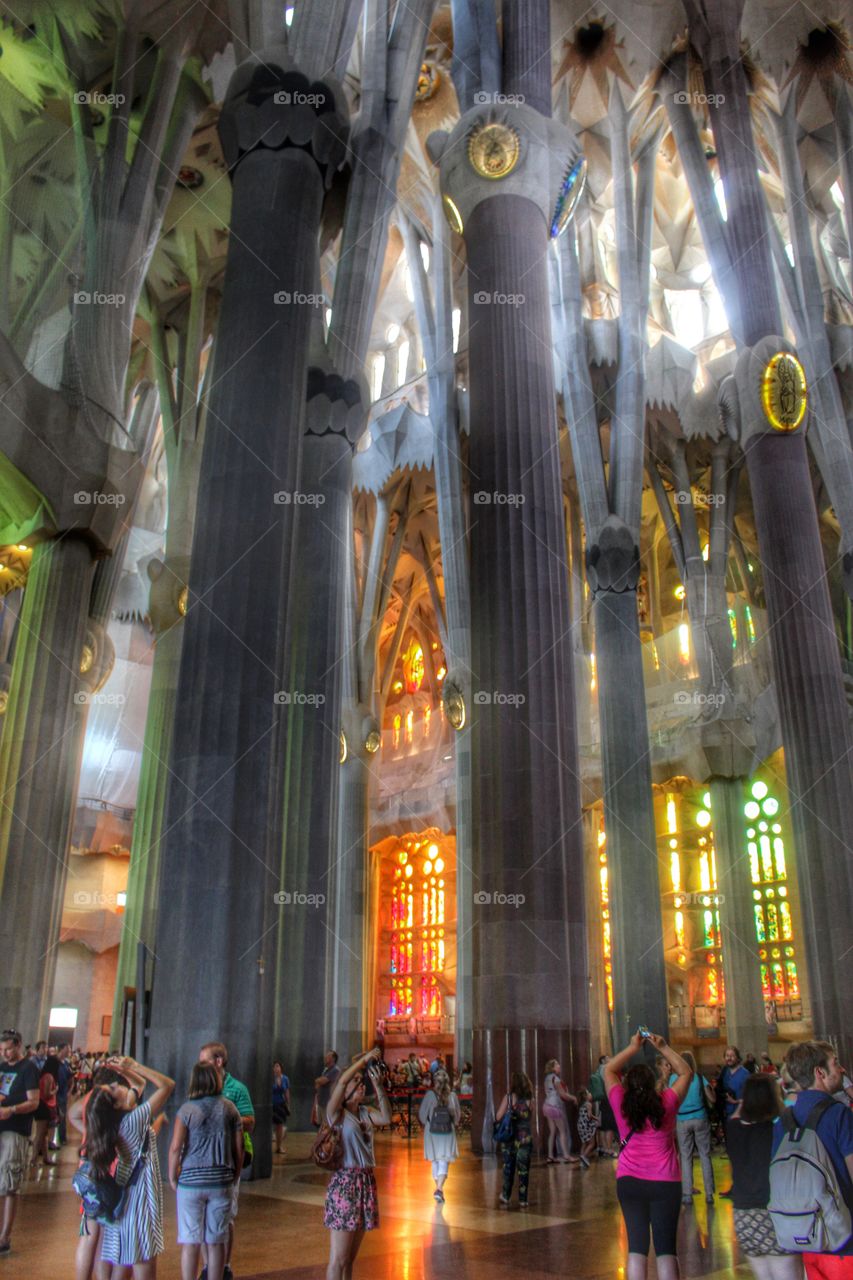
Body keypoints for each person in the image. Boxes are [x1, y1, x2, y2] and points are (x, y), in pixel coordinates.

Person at [604, 1031, 693, 1280]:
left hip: (630, 1182)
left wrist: (633, 1047)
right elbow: (686, 1072)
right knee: (666, 1250)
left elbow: (608, 1070)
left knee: (636, 1248)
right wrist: (663, 1047)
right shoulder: (666, 1102)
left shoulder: (621, 1102)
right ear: (653, 1081)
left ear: (627, 1085)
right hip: (665, 1182)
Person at [85, 1054, 174, 1277]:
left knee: (123, 1265)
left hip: (123, 1203)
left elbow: (139, 1085)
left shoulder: (115, 1122)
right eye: (114, 1089)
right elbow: (167, 1085)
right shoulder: (132, 1121)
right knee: (144, 1265)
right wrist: (135, 1065)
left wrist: (124, 1071)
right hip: (138, 1203)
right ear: (115, 1105)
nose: (118, 1085)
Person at [771, 1041, 853, 1279]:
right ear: (820, 1072)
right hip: (845, 1242)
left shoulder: (783, 1122)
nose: (841, 1069)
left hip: (808, 1239)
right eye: (835, 1063)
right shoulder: (840, 1115)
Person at [169, 1061, 244, 1280]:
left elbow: (176, 1147)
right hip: (221, 1181)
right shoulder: (230, 1108)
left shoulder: (186, 1110)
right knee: (216, 1239)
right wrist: (235, 1174)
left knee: (191, 1241)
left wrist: (173, 1176)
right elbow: (238, 1148)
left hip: (191, 1181)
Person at [324, 1047, 391, 1280]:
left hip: (365, 1182)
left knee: (350, 1259)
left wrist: (378, 1086)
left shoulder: (365, 1112)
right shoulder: (336, 1114)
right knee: (338, 1258)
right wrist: (362, 1060)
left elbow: (386, 1117)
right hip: (345, 1184)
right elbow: (341, 1082)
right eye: (357, 1082)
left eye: (361, 1082)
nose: (361, 1084)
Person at [727, 1073, 802, 1280]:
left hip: (744, 1215)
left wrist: (746, 1099)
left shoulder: (733, 1128)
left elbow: (737, 1115)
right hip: (774, 1212)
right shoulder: (778, 1130)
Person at [198, 1042, 254, 1280]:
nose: (200, 1065)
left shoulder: (237, 1089)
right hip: (204, 1158)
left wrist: (225, 1117)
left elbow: (250, 1120)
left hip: (230, 1157)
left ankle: (226, 1265)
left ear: (218, 1061)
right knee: (203, 1214)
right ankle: (207, 1266)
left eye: (205, 1060)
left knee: (226, 1214)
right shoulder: (201, 1088)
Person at [0, 1029, 40, 1256]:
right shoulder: (2, 1068)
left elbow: (34, 1101)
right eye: (1, 1050)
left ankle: (4, 1236)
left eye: (8, 1049)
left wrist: (11, 1110)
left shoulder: (28, 1069)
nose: (5, 1054)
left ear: (18, 1046)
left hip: (14, 1130)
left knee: (8, 1184)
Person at [671, 1050, 715, 1207]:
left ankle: (687, 1194)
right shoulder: (698, 1077)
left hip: (682, 1119)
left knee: (685, 1156)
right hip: (699, 1116)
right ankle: (709, 1193)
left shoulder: (674, 1079)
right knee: (705, 1154)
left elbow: (671, 1099)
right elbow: (712, 1098)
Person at [418, 1067, 461, 1203]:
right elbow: (457, 1116)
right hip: (447, 1131)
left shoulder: (429, 1095)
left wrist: (427, 1122)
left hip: (432, 1131)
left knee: (435, 1161)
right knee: (443, 1160)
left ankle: (439, 1188)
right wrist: (454, 1122)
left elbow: (422, 1115)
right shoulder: (452, 1096)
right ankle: (439, 1189)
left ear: (434, 1082)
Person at [494, 1071, 535, 1209]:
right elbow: (529, 1116)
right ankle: (523, 1199)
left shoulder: (509, 1098)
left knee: (508, 1167)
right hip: (525, 1138)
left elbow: (498, 1116)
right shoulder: (530, 1099)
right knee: (523, 1170)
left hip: (509, 1138)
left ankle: (506, 1195)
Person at [720, 1046, 752, 1198]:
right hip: (728, 1117)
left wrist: (736, 1101)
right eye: (727, 1055)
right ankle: (735, 1185)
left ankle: (744, 1186)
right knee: (732, 1154)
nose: (729, 1058)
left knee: (742, 1154)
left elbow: (750, 1096)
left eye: (732, 1056)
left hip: (741, 1117)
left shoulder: (745, 1075)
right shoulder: (725, 1073)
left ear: (737, 1057)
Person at [543, 1058, 581, 1165]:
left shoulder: (547, 1078)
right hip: (555, 1106)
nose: (559, 1066)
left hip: (546, 1105)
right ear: (552, 1068)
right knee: (562, 1131)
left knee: (552, 1131)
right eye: (557, 1065)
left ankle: (550, 1156)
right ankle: (566, 1155)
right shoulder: (556, 1079)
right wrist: (574, 1098)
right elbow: (563, 1095)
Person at [30, 1052, 60, 1172]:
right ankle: (33, 1160)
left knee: (44, 1135)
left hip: (42, 1106)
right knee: (40, 1134)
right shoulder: (49, 1077)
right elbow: (47, 1094)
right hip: (45, 1106)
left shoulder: (43, 1075)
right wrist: (55, 1090)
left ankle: (46, 1158)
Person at [590, 1054, 618, 1156]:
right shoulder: (606, 1069)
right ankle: (609, 1149)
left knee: (602, 1126)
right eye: (608, 1058)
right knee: (609, 1125)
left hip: (601, 1100)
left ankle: (602, 1148)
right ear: (603, 1060)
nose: (610, 1059)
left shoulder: (598, 1070)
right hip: (607, 1098)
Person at [315, 1050, 341, 1124]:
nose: (325, 1058)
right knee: (321, 1125)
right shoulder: (325, 1070)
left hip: (328, 1103)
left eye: (328, 1056)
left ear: (333, 1059)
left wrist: (319, 1081)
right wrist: (319, 1081)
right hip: (321, 1102)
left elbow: (323, 1081)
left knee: (327, 1126)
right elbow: (317, 1085)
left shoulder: (335, 1070)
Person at [577, 1088, 601, 1162]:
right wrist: (597, 1118)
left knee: (584, 1143)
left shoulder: (581, 1104)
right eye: (589, 1093)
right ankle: (584, 1157)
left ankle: (581, 1160)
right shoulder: (588, 1104)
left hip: (580, 1126)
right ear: (586, 1096)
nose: (590, 1094)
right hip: (587, 1126)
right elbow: (589, 1115)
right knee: (592, 1144)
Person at [272, 1062, 291, 1155]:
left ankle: (278, 1147)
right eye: (274, 1066)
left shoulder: (285, 1079)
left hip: (280, 1104)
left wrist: (288, 1104)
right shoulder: (270, 1078)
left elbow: (287, 1091)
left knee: (279, 1125)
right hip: (270, 1105)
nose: (276, 1068)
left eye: (277, 1066)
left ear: (281, 1068)